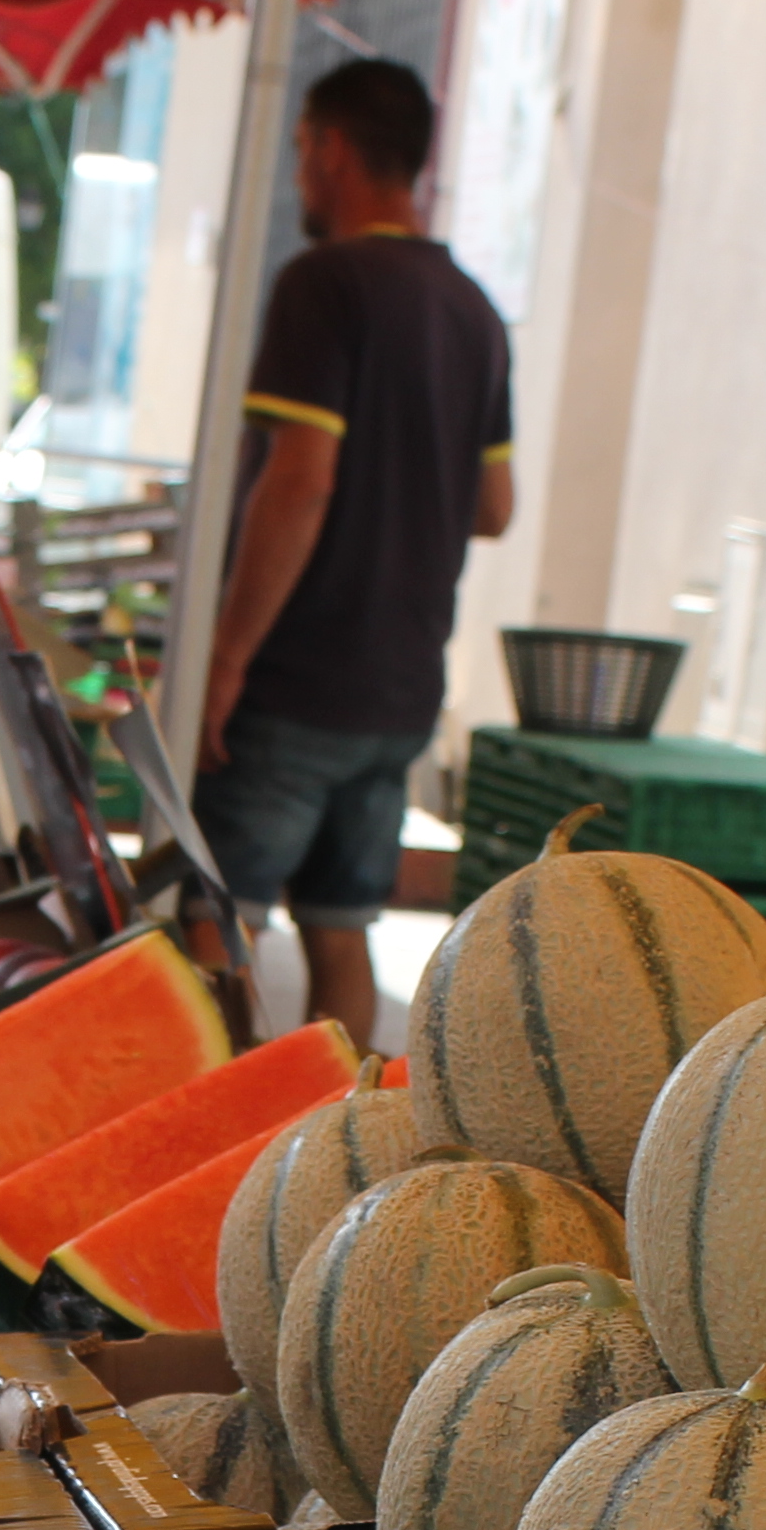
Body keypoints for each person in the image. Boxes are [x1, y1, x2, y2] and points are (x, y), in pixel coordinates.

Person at [188, 55, 513, 1049]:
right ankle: (339, 1148)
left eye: (299, 154)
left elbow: (300, 481)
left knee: (217, 928)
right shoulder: (473, 311)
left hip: (299, 680)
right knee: (341, 929)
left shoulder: (323, 286)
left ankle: (200, 1156)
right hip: (400, 689)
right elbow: (494, 505)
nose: (299, 179)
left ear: (330, 150)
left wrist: (229, 656)